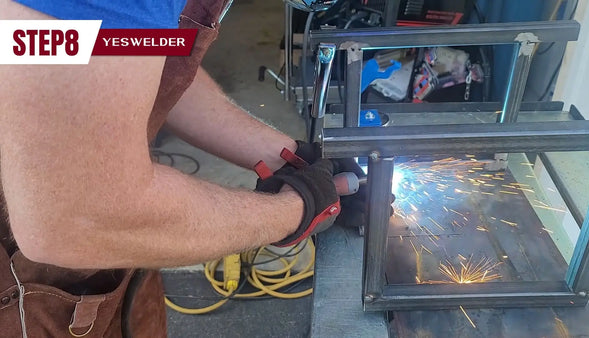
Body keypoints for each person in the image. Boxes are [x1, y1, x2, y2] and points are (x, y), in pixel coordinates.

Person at [0, 0, 350, 336]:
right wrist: (296, 209)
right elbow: (77, 219)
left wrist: (290, 156)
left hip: (100, 265)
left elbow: (137, 59)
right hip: (23, 289)